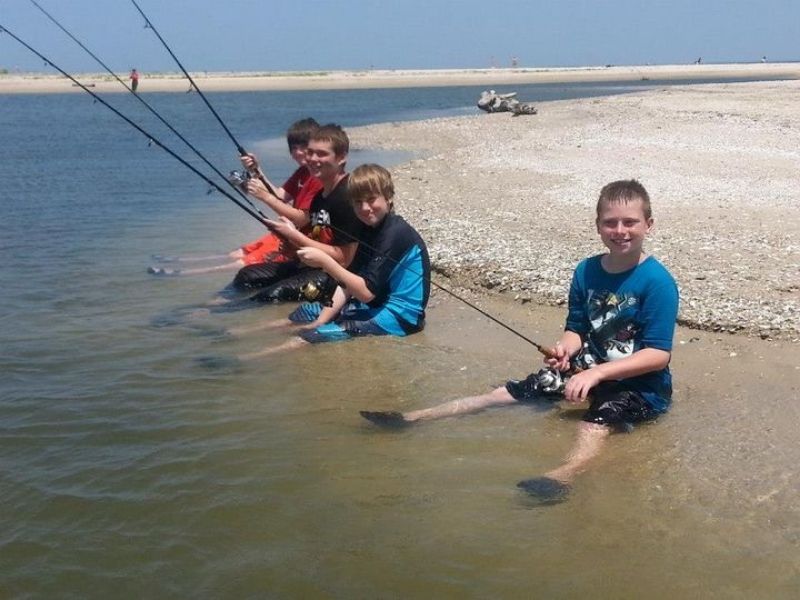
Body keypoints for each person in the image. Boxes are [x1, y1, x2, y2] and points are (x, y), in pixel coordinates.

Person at [360, 180, 679, 505]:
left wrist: (596, 374)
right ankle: (415, 418)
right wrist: (566, 349)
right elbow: (576, 329)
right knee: (503, 394)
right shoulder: (586, 271)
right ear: (598, 226)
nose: (620, 230)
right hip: (587, 372)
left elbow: (658, 355)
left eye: (630, 222)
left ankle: (564, 475)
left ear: (648, 226)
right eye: (610, 222)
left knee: (593, 424)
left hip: (641, 386)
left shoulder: (658, 282)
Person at [238, 164, 430, 355]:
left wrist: (325, 262)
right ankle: (238, 334)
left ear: (388, 198)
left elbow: (366, 293)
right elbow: (348, 281)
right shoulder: (366, 229)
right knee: (305, 312)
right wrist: (322, 318)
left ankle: (249, 358)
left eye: (372, 199)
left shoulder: (395, 232)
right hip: (374, 304)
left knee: (314, 335)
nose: (365, 208)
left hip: (401, 317)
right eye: (357, 202)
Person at [148, 118, 322, 276]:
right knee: (238, 252)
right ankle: (181, 262)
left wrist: (264, 197)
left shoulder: (318, 177)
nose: (298, 153)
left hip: (302, 237)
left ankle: (186, 273)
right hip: (290, 231)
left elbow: (300, 218)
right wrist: (256, 170)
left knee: (244, 262)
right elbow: (280, 195)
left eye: (303, 147)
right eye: (294, 149)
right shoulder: (302, 172)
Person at [227, 123, 363, 304]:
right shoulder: (320, 196)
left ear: (341, 158)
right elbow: (317, 235)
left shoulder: (347, 197)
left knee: (273, 294)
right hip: (310, 264)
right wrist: (293, 246)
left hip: (338, 275)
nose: (313, 159)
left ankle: (219, 315)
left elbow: (344, 258)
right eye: (311, 152)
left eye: (322, 154)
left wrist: (294, 235)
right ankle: (213, 305)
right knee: (247, 275)